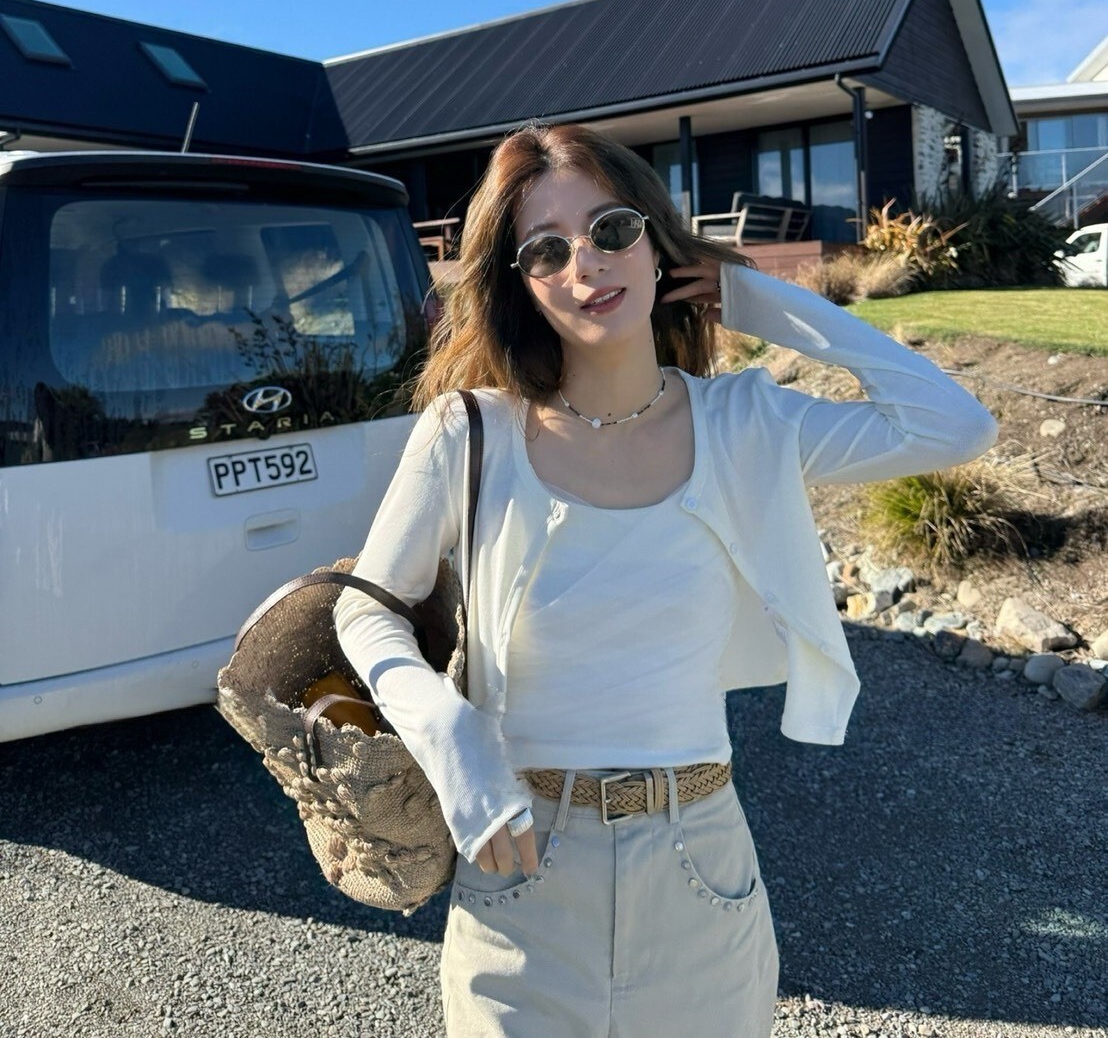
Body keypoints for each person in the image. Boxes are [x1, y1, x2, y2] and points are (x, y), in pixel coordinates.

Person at [334, 123, 999, 1037]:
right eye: (546, 250)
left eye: (611, 230)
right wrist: (450, 738)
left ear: (657, 244)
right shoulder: (470, 432)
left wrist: (756, 298)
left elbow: (953, 425)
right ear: (520, 284)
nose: (585, 264)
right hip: (519, 872)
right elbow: (365, 612)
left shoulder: (746, 423)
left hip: (702, 870)